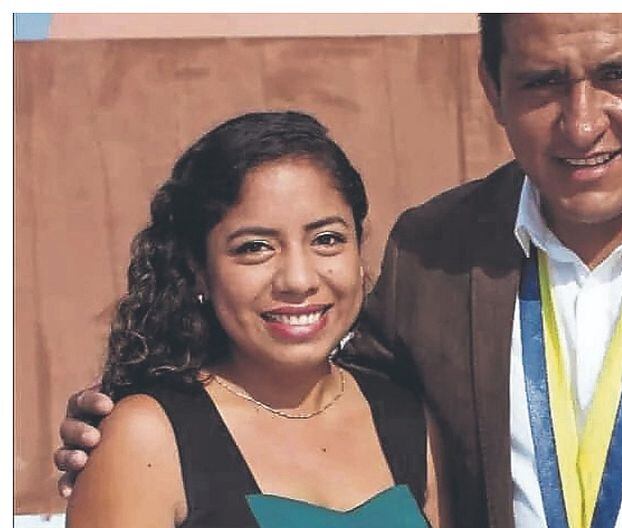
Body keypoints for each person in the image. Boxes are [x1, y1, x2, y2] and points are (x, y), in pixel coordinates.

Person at [56, 14, 622, 527]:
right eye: (542, 83)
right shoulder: (437, 252)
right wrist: (135, 423)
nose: (582, 123)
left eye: (618, 76)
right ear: (492, 88)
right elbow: (302, 390)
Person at [64, 111, 446, 527]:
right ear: (198, 269)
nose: (298, 280)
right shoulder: (146, 436)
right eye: (255, 247)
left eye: (327, 239)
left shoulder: (410, 418)